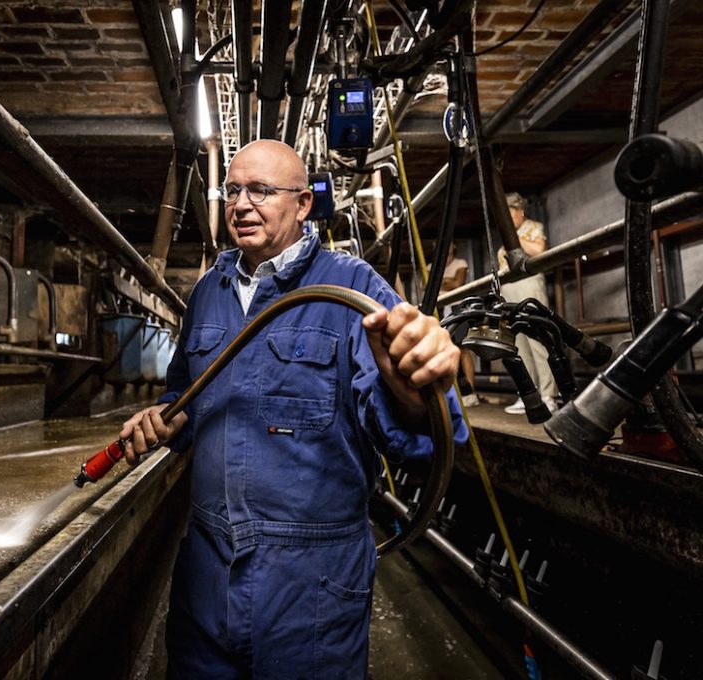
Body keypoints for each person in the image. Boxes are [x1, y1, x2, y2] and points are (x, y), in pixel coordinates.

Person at [120, 140, 467, 678]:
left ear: (303, 204)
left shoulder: (353, 287)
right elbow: (186, 393)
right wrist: (164, 420)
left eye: (261, 190)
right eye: (232, 190)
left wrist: (415, 380)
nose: (240, 203)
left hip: (311, 582)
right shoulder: (209, 291)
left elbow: (423, 434)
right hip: (208, 570)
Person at [498, 192, 557, 415]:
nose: (506, 217)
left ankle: (548, 396)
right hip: (510, 290)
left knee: (538, 341)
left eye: (510, 212)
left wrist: (513, 235)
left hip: (529, 287)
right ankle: (528, 395)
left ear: (520, 211)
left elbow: (538, 251)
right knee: (518, 344)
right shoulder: (504, 237)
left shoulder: (532, 228)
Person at [433, 243, 481, 407]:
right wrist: (448, 281)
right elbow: (428, 285)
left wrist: (444, 282)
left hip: (457, 306)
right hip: (439, 307)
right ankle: (449, 392)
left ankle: (470, 392)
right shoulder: (432, 266)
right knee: (441, 348)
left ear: (453, 246)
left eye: (450, 244)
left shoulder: (460, 263)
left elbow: (457, 284)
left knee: (463, 349)